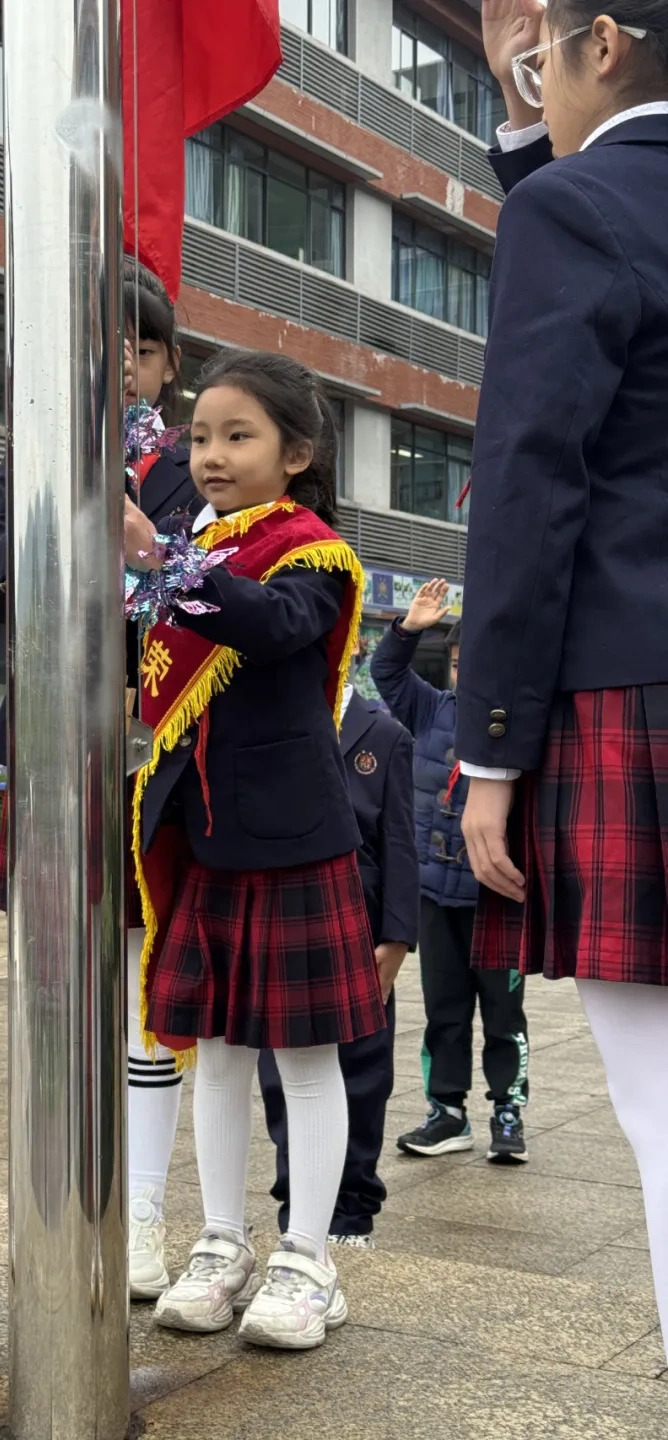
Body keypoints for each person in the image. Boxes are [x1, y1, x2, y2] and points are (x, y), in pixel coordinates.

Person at [461, 0, 668, 1363]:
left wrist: (492, 746)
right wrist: (530, 122)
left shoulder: (574, 208)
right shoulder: (583, 195)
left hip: (635, 685)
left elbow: (532, 480)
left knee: (663, 1103)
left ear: (600, 40)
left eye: (548, 53)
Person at [131, 349, 385, 1351]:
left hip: (292, 840)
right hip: (208, 836)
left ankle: (307, 1259)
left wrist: (162, 564)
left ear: (297, 453)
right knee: (222, 1057)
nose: (212, 455)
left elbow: (277, 629)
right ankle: (222, 1243)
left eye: (239, 436)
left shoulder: (311, 553)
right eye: (200, 436)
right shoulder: (206, 547)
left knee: (307, 1062)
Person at [0, 258, 201, 1301]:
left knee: (146, 976)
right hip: (54, 742)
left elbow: (211, 595)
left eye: (138, 350)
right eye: (100, 351)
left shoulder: (199, 463)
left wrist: (144, 550)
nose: (120, 369)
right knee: (59, 976)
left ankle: (139, 1208)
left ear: (168, 364)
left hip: (156, 744)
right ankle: (57, 1194)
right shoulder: (34, 456)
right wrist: (54, 523)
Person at [371, 581, 530, 1163]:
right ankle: (447, 1112)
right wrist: (408, 628)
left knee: (504, 1015)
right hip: (434, 896)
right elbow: (387, 673)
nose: (465, 673)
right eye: (459, 662)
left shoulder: (520, 724)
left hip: (497, 898)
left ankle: (508, 1112)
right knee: (444, 1010)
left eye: (475, 663)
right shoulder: (431, 708)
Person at [259, 682, 417, 1249]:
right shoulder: (273, 716)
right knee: (282, 1075)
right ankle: (298, 1204)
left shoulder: (385, 734)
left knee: (363, 1072)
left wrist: (397, 936)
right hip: (286, 922)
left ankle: (351, 1210)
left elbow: (400, 841)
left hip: (361, 928)